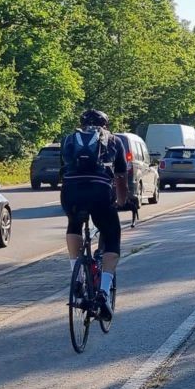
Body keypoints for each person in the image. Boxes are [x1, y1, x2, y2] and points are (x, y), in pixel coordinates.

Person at [60, 109, 128, 321]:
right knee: (112, 234)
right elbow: (121, 176)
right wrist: (122, 200)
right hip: (99, 192)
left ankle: (77, 276)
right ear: (105, 125)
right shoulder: (114, 141)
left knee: (74, 224)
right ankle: (103, 293)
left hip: (71, 191)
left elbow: (63, 169)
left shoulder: (69, 140)